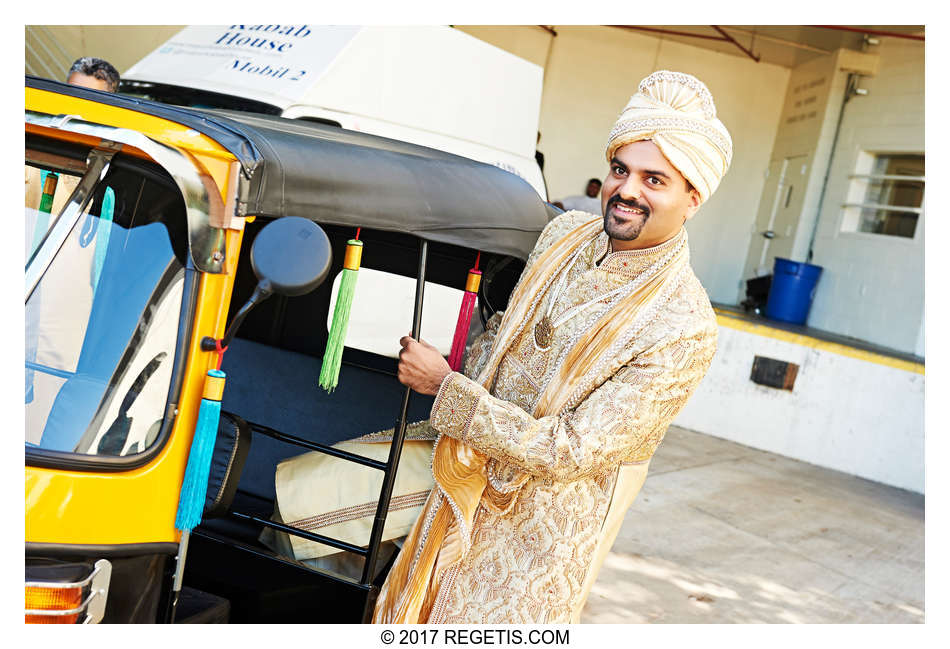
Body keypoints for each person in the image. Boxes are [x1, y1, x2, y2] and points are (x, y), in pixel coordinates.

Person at [373, 70, 733, 623]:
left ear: (693, 197)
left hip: (534, 545)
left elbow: (570, 451)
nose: (627, 190)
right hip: (451, 486)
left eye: (654, 180)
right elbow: (497, 347)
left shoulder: (684, 325)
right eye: (620, 170)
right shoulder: (562, 236)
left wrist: (445, 387)